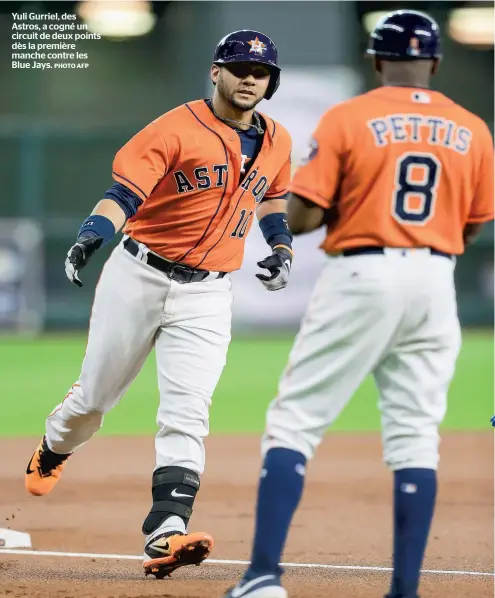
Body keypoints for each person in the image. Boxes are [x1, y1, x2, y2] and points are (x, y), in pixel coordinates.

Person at [224, 10, 494, 598]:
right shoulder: (473, 128)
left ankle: (263, 576)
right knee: (417, 434)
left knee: (294, 420)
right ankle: (403, 590)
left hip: (363, 272)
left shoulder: (349, 116)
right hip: (435, 278)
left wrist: (323, 198)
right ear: (436, 63)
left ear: (376, 61)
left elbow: (303, 216)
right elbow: (473, 224)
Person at [25, 29, 293, 580]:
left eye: (259, 71)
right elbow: (124, 193)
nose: (248, 77)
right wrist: (91, 234)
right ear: (215, 72)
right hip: (139, 274)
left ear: (271, 81)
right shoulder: (174, 127)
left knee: (188, 408)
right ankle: (53, 447)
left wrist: (282, 244)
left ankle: (165, 530)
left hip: (209, 291)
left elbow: (271, 195)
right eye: (238, 67)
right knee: (95, 399)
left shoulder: (278, 141)